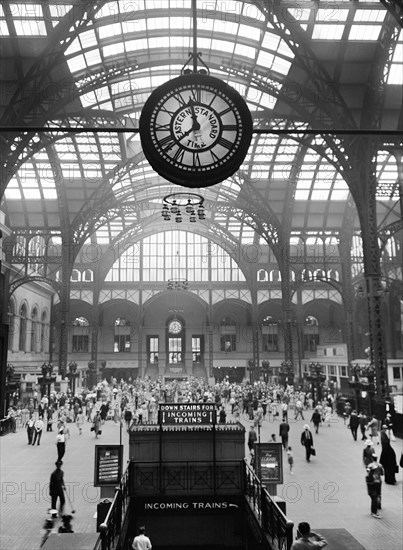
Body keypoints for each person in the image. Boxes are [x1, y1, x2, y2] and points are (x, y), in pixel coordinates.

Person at [366, 454, 384, 518]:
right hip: (378, 481)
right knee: (378, 494)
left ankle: (374, 510)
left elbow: (368, 472)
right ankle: (378, 506)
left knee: (374, 496)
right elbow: (382, 473)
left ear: (372, 458)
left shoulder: (369, 465)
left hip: (372, 482)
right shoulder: (380, 465)